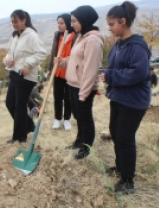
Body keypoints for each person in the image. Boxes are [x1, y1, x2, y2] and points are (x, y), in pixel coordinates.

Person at [100, 1, 151, 194]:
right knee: (115, 132)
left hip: (134, 101)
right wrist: (107, 75)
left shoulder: (137, 46)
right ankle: (120, 167)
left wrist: (111, 76)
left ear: (123, 21)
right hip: (119, 97)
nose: (110, 28)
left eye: (112, 24)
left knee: (125, 137)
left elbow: (138, 73)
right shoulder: (118, 45)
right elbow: (114, 68)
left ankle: (128, 180)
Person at [56, 5, 103, 159]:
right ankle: (79, 141)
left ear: (84, 20)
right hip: (73, 84)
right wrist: (63, 62)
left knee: (85, 118)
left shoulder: (93, 40)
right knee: (78, 117)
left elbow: (91, 68)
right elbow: (76, 60)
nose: (72, 24)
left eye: (75, 21)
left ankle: (86, 147)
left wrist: (84, 92)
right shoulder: (81, 37)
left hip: (84, 86)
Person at [3, 9, 47, 144]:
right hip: (15, 73)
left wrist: (28, 64)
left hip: (26, 76)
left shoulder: (32, 35)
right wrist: (8, 60)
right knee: (10, 103)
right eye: (12, 22)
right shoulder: (15, 36)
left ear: (24, 20)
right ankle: (28, 125)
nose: (14, 24)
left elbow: (41, 53)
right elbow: (9, 53)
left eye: (16, 21)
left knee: (19, 106)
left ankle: (19, 136)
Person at [48, 13, 79, 131]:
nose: (59, 26)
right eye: (58, 23)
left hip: (70, 71)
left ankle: (67, 119)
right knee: (57, 96)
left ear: (68, 23)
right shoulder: (57, 36)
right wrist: (50, 68)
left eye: (62, 23)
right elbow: (53, 53)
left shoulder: (76, 35)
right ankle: (57, 119)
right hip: (58, 71)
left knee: (68, 97)